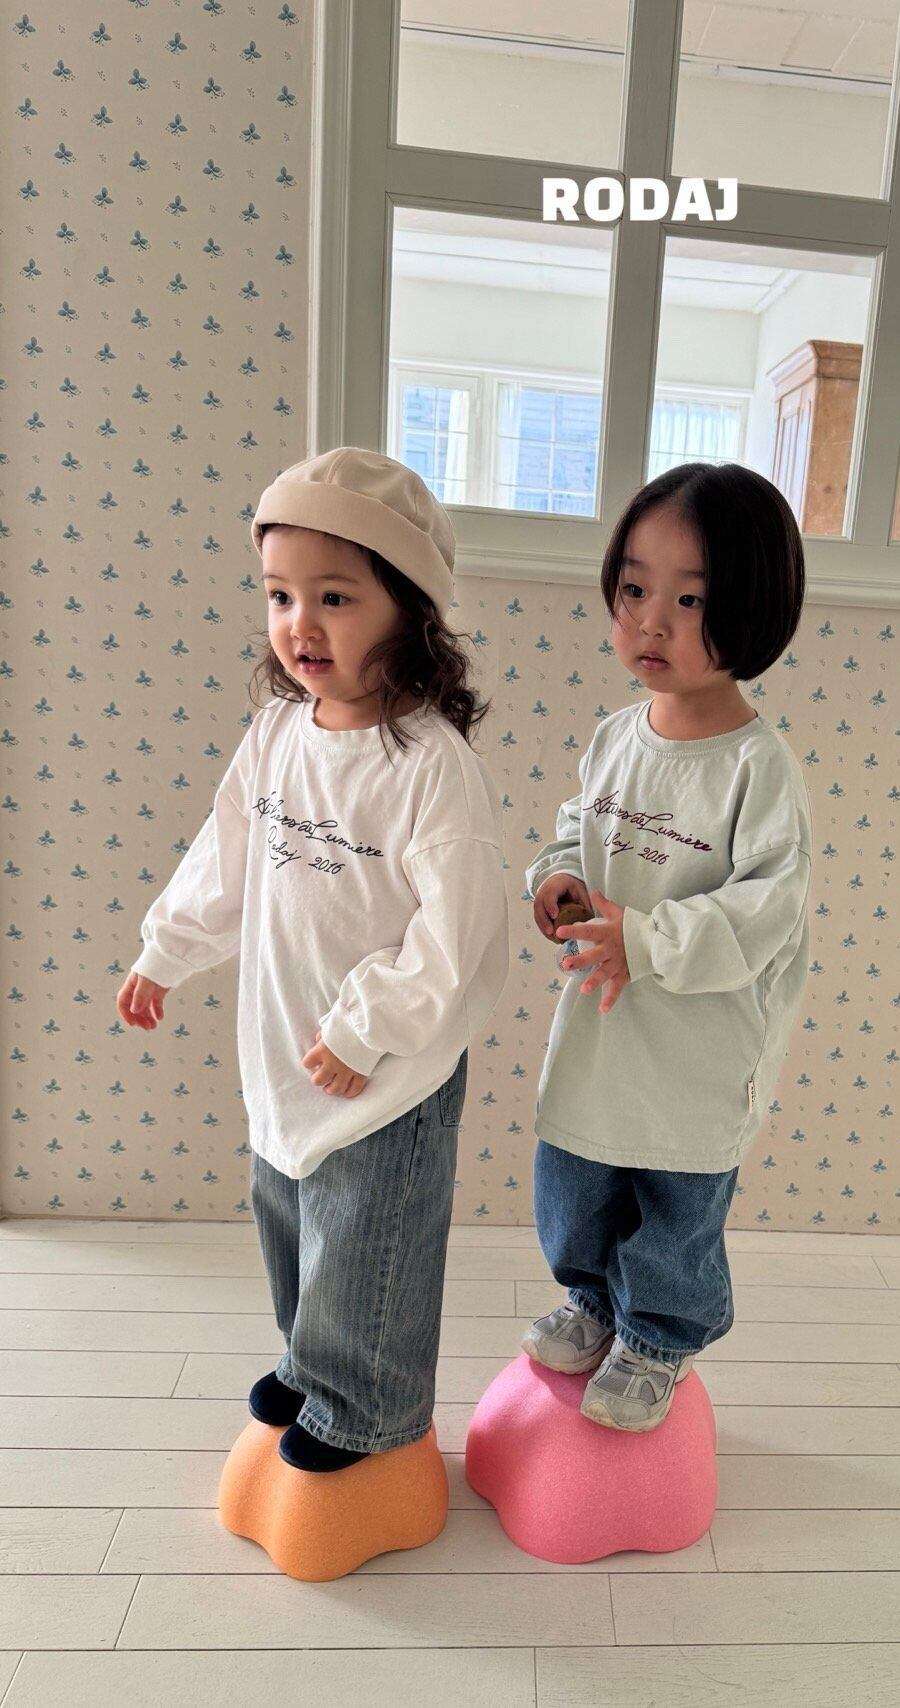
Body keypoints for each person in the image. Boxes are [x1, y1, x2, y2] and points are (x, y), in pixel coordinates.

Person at [116, 447, 509, 1472]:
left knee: (368, 1237)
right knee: (290, 1215)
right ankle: (309, 1359)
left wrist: (365, 1029)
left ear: (409, 609)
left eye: (334, 597)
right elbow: (224, 860)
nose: (300, 623)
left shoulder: (430, 768)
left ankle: (367, 1407)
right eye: (280, 595)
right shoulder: (278, 736)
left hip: (388, 1066)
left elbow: (455, 935)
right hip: (284, 1049)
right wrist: (166, 951)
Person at [521, 461, 811, 1431]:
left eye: (689, 600)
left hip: (696, 1043)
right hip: (601, 1026)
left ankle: (657, 1335)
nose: (651, 621)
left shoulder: (756, 769)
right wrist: (556, 881)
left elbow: (765, 910)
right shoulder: (615, 738)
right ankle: (593, 1300)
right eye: (634, 589)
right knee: (578, 1175)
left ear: (753, 608)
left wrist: (645, 940)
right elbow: (576, 830)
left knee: (676, 1198)